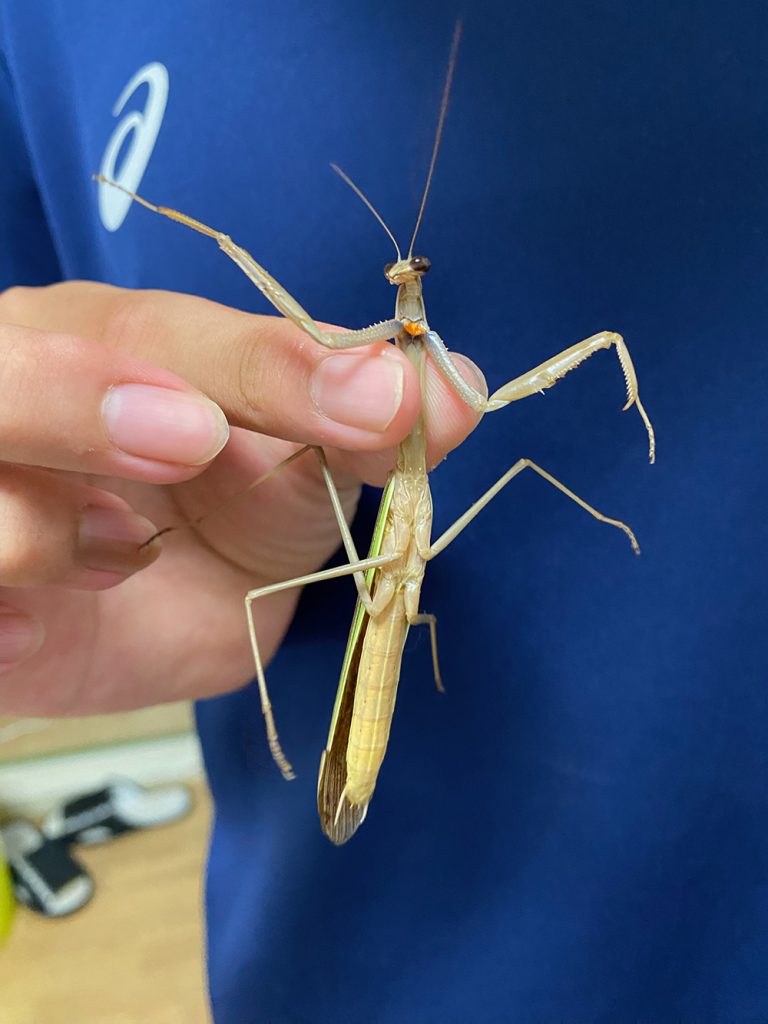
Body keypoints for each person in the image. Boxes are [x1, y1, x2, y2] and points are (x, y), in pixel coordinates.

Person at [2, 3, 766, 1021]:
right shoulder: (42, 35)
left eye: (412, 283)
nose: (407, 288)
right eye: (402, 284)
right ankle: (304, 747)